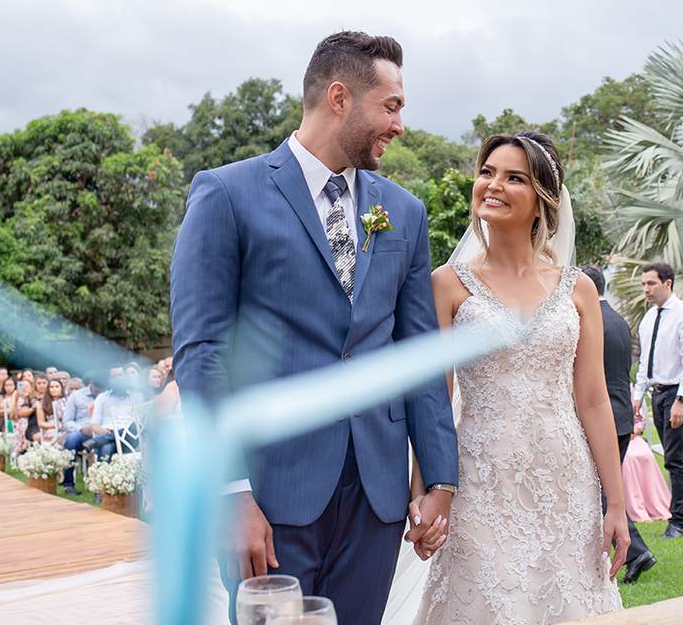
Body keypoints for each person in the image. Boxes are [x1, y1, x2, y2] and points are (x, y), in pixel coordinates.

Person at [171, 31, 458, 625]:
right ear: (337, 97)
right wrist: (230, 494)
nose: (400, 124)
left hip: (377, 497)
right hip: (271, 492)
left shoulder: (403, 211)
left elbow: (419, 353)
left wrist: (438, 479)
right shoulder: (226, 193)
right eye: (391, 105)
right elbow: (201, 352)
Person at [415, 132, 626, 624]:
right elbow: (435, 399)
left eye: (514, 178)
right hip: (480, 483)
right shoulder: (446, 285)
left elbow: (593, 400)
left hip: (566, 482)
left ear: (542, 202)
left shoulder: (579, 289)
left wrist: (615, 504)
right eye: (487, 173)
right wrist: (422, 491)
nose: (493, 185)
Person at [580, 263, 655, 584]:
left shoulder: (590, 319)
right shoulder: (618, 320)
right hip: (622, 414)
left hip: (603, 416)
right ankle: (635, 550)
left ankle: (636, 551)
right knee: (604, 488)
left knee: (599, 489)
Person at [631, 262, 683, 537]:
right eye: (643, 284)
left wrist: (682, 399)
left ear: (668, 283)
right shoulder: (649, 318)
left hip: (679, 393)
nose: (646, 289)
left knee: (674, 459)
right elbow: (644, 362)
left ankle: (679, 522)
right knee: (681, 456)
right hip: (658, 393)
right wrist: (638, 395)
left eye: (651, 283)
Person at [621, 409, 672, 524]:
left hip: (632, 437)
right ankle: (637, 510)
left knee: (646, 455)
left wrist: (633, 431)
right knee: (629, 458)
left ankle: (658, 507)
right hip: (616, 439)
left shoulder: (631, 392)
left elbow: (640, 420)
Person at [85, 366, 144, 460]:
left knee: (134, 425)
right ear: (109, 381)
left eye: (120, 375)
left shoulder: (137, 396)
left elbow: (138, 422)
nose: (118, 379)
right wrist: (102, 431)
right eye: (114, 376)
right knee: (106, 448)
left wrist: (117, 432)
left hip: (129, 438)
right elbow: (93, 424)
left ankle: (98, 441)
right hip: (108, 435)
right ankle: (102, 473)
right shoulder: (102, 398)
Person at [60, 372, 103, 494]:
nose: (99, 393)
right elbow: (67, 421)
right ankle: (68, 484)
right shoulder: (77, 396)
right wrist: (81, 428)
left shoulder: (108, 395)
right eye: (96, 390)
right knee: (71, 440)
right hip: (83, 431)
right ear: (91, 384)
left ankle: (101, 486)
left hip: (102, 431)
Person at [35, 379, 67, 444]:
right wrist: (52, 426)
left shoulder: (66, 401)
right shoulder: (42, 403)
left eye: (57, 387)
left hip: (64, 427)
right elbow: (40, 422)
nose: (54, 389)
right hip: (50, 428)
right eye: (51, 387)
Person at [11, 379, 38, 455]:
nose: (24, 388)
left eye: (27, 386)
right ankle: (23, 448)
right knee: (22, 425)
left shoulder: (33, 398)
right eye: (22, 386)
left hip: (31, 422)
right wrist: (15, 400)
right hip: (18, 422)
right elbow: (13, 416)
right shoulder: (17, 398)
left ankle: (25, 447)